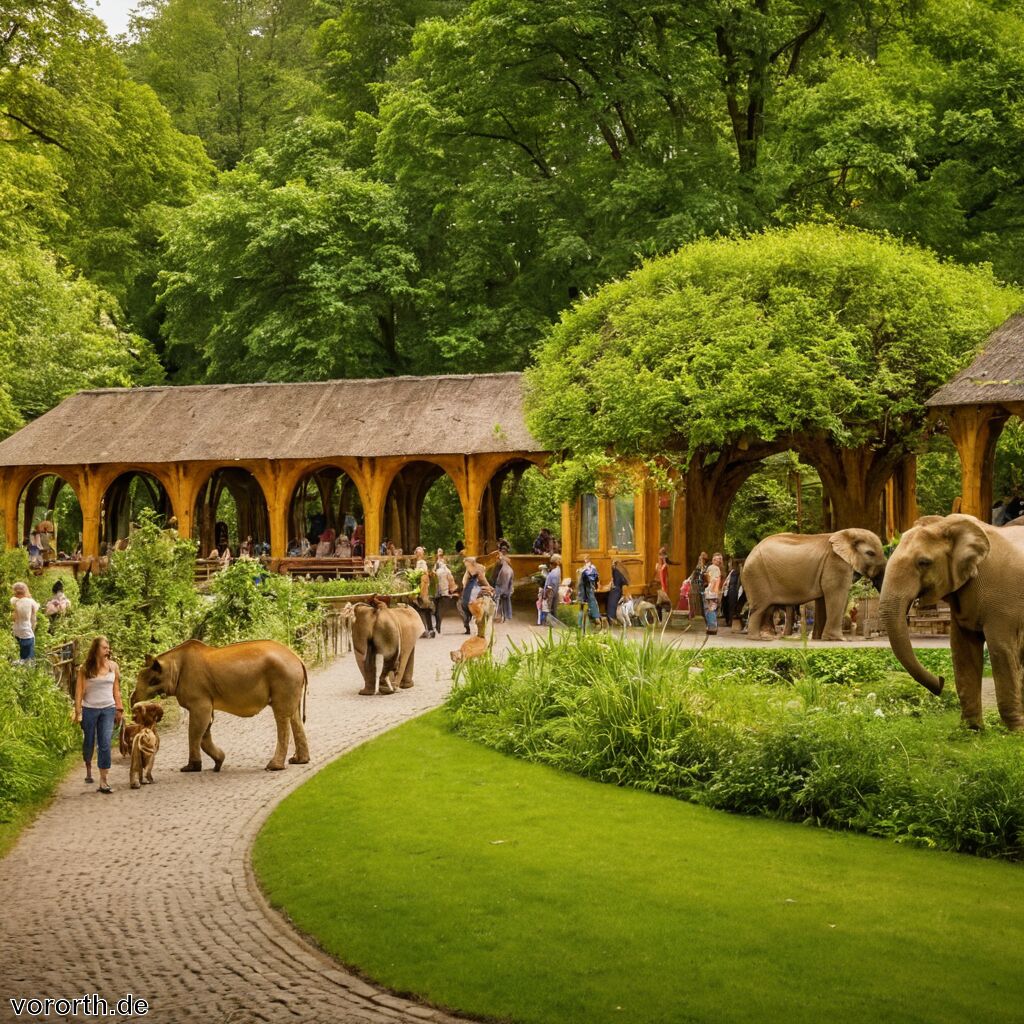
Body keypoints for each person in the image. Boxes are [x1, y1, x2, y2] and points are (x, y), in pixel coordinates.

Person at [74, 636, 123, 792]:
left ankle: (103, 781)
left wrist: (119, 709)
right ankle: (88, 768)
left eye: (108, 647)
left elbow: (116, 690)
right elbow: (79, 691)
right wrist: (78, 711)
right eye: (104, 647)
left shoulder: (113, 667)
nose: (107, 649)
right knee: (89, 741)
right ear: (96, 649)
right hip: (89, 709)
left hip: (108, 709)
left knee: (105, 743)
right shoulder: (85, 668)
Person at [459, 557, 493, 634]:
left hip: (473, 589)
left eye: (466, 564)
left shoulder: (473, 569)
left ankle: (470, 626)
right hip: (474, 588)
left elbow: (481, 579)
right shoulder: (479, 568)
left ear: (470, 563)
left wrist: (488, 586)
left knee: (466, 605)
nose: (466, 566)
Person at [10, 582, 39, 662]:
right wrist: (33, 629)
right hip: (26, 633)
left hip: (14, 632)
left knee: (16, 660)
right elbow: (34, 618)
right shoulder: (30, 602)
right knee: (28, 661)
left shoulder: (12, 601)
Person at [412, 547, 435, 638]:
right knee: (423, 610)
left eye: (420, 553)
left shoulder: (421, 563)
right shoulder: (419, 563)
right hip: (421, 588)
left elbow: (423, 573)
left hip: (423, 589)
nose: (419, 554)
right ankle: (426, 629)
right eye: (418, 553)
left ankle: (429, 629)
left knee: (425, 609)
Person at [433, 551, 458, 634]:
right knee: (439, 611)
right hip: (443, 593)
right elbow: (451, 581)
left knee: (437, 611)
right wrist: (453, 590)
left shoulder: (436, 569)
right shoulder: (446, 570)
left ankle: (437, 627)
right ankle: (437, 627)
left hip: (437, 593)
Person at [577, 555, 601, 633]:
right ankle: (581, 624)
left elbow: (593, 577)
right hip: (586, 589)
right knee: (589, 604)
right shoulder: (588, 568)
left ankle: (581, 624)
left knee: (587, 605)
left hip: (586, 589)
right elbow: (595, 578)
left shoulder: (587, 569)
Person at [704, 552, 724, 635]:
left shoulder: (710, 567)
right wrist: (714, 591)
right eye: (718, 559)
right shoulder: (715, 568)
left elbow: (709, 578)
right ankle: (712, 627)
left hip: (710, 591)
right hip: (712, 592)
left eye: (720, 559)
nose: (719, 561)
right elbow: (714, 580)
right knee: (712, 608)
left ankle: (710, 627)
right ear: (713, 560)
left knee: (710, 609)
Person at [543, 554, 563, 628]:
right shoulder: (558, 570)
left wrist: (546, 594)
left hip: (551, 591)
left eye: (551, 563)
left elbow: (550, 585)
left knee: (548, 607)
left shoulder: (554, 573)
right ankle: (553, 622)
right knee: (554, 608)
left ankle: (549, 622)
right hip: (555, 590)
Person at [494, 553, 515, 623]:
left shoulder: (501, 569)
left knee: (496, 601)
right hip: (507, 589)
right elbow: (511, 582)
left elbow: (497, 580)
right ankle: (505, 617)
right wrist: (510, 589)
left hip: (499, 588)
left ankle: (495, 616)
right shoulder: (511, 570)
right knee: (505, 603)